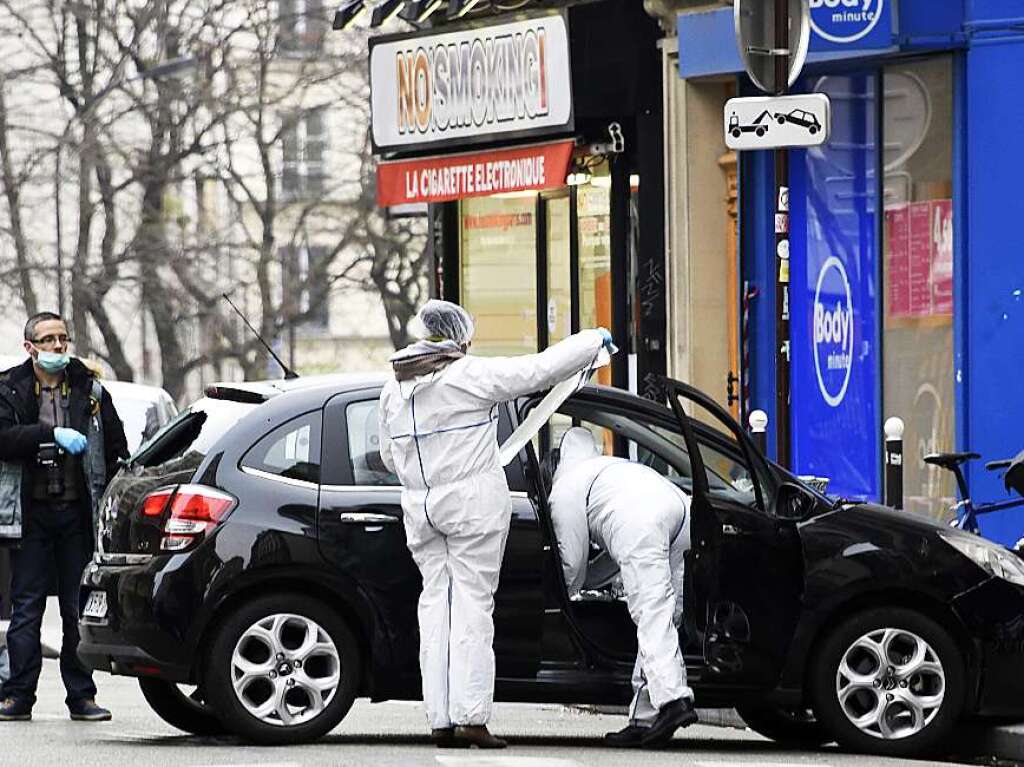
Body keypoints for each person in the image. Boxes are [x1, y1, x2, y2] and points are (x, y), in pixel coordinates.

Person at [378, 299, 612, 749]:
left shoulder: (394, 386)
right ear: (458, 336)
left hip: (421, 509)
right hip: (470, 507)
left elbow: (390, 456)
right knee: (472, 609)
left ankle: (440, 718)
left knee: (435, 608)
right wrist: (591, 342)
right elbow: (538, 371)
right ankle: (471, 718)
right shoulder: (466, 375)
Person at [0, 312, 128, 722]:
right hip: (31, 515)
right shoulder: (10, 389)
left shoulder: (89, 390)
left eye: (63, 339)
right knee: (27, 609)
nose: (58, 346)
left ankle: (82, 697)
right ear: (30, 347)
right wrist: (47, 433)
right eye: (49, 339)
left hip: (77, 515)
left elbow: (115, 448)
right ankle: (18, 696)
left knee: (77, 608)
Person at [545, 427, 697, 748]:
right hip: (681, 512)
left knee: (651, 612)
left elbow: (571, 564)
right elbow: (613, 556)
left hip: (643, 523)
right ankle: (644, 718)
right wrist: (589, 580)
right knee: (665, 616)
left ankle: (673, 700)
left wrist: (562, 593)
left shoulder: (564, 490)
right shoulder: (608, 468)